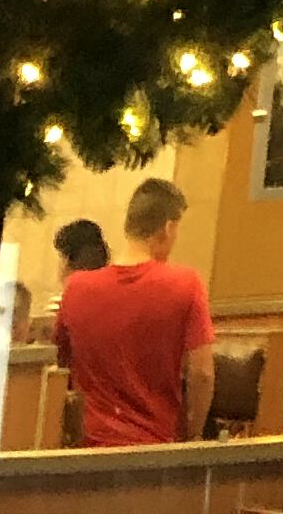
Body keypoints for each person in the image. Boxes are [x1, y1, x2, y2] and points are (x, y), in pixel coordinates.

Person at [53, 177, 214, 450]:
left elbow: (60, 366)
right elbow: (202, 374)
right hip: (154, 448)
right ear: (168, 228)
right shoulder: (185, 285)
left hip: (86, 449)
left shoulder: (76, 288)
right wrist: (192, 436)